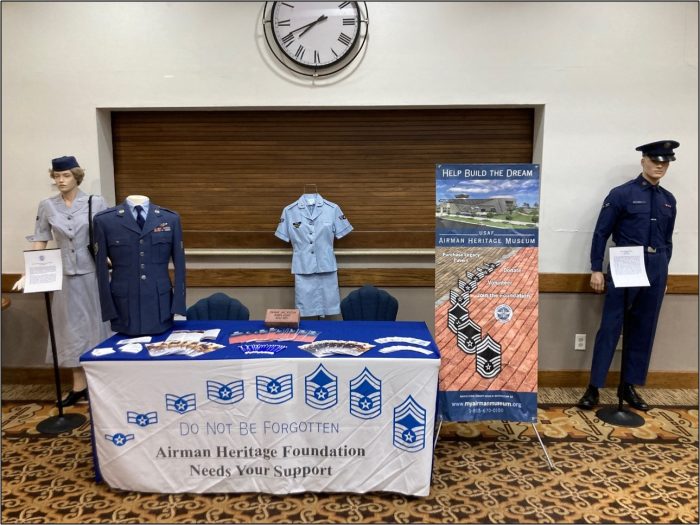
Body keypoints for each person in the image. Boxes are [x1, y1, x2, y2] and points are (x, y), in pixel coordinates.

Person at [577, 140, 679, 411]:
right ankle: (594, 387)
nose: (660, 166)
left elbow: (667, 241)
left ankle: (629, 385)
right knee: (611, 326)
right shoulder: (622, 194)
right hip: (627, 262)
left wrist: (665, 273)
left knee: (644, 328)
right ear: (643, 160)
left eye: (665, 162)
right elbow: (601, 232)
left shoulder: (668, 200)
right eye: (655, 160)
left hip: (656, 266)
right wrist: (596, 268)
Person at [14, 156, 113, 406]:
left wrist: (113, 261)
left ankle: (101, 386)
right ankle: (78, 387)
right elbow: (40, 238)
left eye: (66, 175)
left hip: (93, 273)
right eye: (56, 176)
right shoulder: (47, 206)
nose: (60, 180)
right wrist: (29, 272)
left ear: (76, 176)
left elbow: (109, 234)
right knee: (69, 330)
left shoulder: (95, 202)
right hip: (64, 276)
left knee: (97, 327)